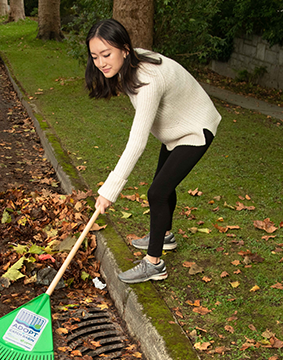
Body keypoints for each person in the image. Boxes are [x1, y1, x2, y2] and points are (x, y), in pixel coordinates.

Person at [85, 19, 221, 284]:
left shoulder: (147, 79)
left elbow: (137, 142)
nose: (101, 63)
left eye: (106, 54)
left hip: (196, 130)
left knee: (157, 191)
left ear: (124, 49)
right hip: (176, 131)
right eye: (94, 57)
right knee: (163, 187)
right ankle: (165, 236)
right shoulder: (132, 62)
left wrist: (108, 192)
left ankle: (153, 264)